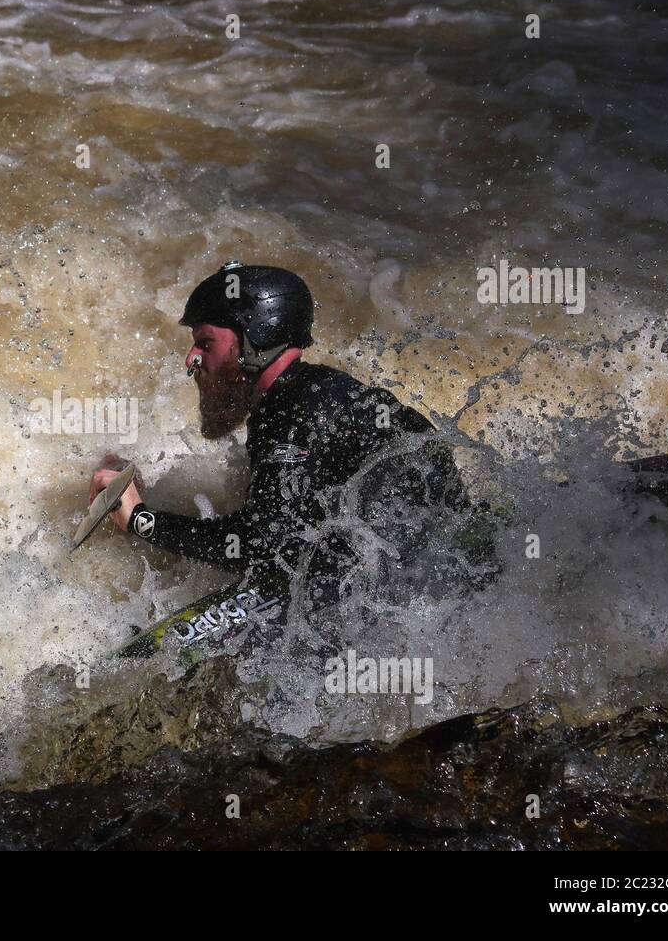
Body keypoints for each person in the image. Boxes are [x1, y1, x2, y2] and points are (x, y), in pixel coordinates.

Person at [89, 262, 473, 659]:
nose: (191, 360)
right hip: (420, 584)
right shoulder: (313, 394)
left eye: (205, 343)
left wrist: (144, 521)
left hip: (402, 598)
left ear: (255, 340)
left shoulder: (300, 412)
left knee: (144, 661)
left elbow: (259, 544)